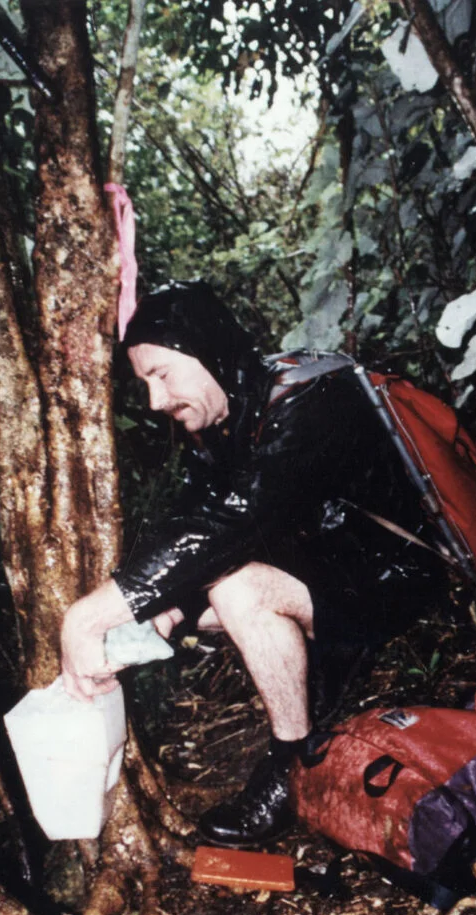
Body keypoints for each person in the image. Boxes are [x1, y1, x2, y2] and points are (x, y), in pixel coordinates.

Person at [60, 281, 449, 847]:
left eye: (162, 374)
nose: (154, 400)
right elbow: (200, 524)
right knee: (167, 608)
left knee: (240, 594)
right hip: (330, 563)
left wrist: (87, 617)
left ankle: (295, 764)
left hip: (396, 576)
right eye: (144, 382)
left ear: (208, 350)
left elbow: (234, 522)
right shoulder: (225, 419)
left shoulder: (311, 403)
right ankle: (315, 670)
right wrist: (164, 609)